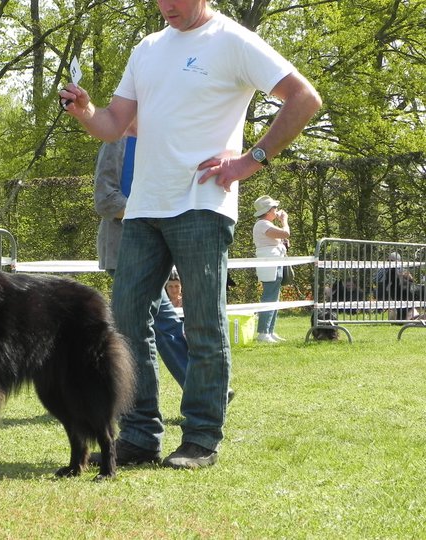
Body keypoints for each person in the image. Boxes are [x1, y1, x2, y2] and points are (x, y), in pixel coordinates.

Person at [59, 0, 321, 470]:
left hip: (203, 204)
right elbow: (114, 125)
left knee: (203, 323)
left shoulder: (233, 40)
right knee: (126, 324)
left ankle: (201, 438)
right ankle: (140, 436)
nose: (166, 6)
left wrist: (250, 161)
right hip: (143, 208)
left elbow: (305, 98)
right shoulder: (147, 47)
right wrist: (85, 110)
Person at [94, 123, 188, 391]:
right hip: (123, 249)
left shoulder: (162, 140)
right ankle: (194, 386)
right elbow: (105, 200)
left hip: (154, 251)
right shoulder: (117, 142)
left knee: (159, 322)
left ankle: (197, 386)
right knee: (154, 323)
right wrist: (149, 212)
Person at [252, 195, 290, 343]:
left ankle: (270, 330)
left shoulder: (266, 224)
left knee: (275, 296)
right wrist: (284, 221)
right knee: (269, 296)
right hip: (270, 263)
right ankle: (263, 332)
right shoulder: (262, 224)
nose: (276, 211)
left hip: (276, 261)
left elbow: (283, 238)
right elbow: (286, 233)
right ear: (268, 210)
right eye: (274, 208)